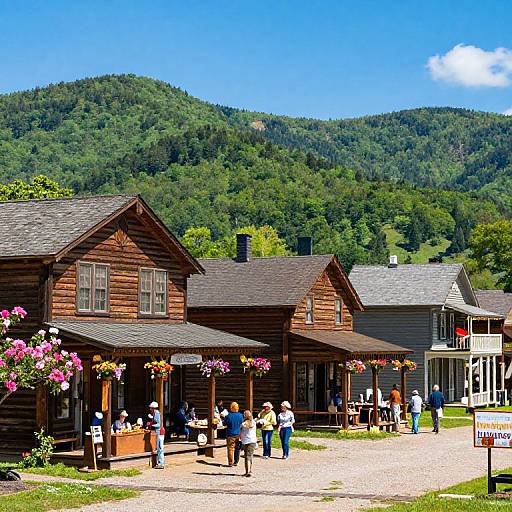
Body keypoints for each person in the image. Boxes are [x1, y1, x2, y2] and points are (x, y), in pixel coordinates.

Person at [223, 402, 243, 467]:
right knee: (237, 448)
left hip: (230, 434)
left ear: (231, 407)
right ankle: (236, 461)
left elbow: (224, 423)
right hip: (238, 434)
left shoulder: (228, 416)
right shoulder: (240, 415)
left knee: (230, 448)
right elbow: (242, 423)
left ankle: (230, 462)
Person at [240, 410, 257, 477]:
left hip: (246, 441)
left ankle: (248, 471)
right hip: (252, 441)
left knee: (247, 457)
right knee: (250, 456)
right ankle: (249, 470)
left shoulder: (243, 424)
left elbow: (241, 432)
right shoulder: (254, 422)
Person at [149, 401, 165, 469]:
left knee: (160, 447)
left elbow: (159, 424)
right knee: (159, 447)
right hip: (158, 432)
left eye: (151, 408)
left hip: (159, 432)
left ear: (153, 408)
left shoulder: (157, 414)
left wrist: (151, 424)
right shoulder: (155, 413)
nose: (150, 409)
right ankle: (160, 462)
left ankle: (161, 463)